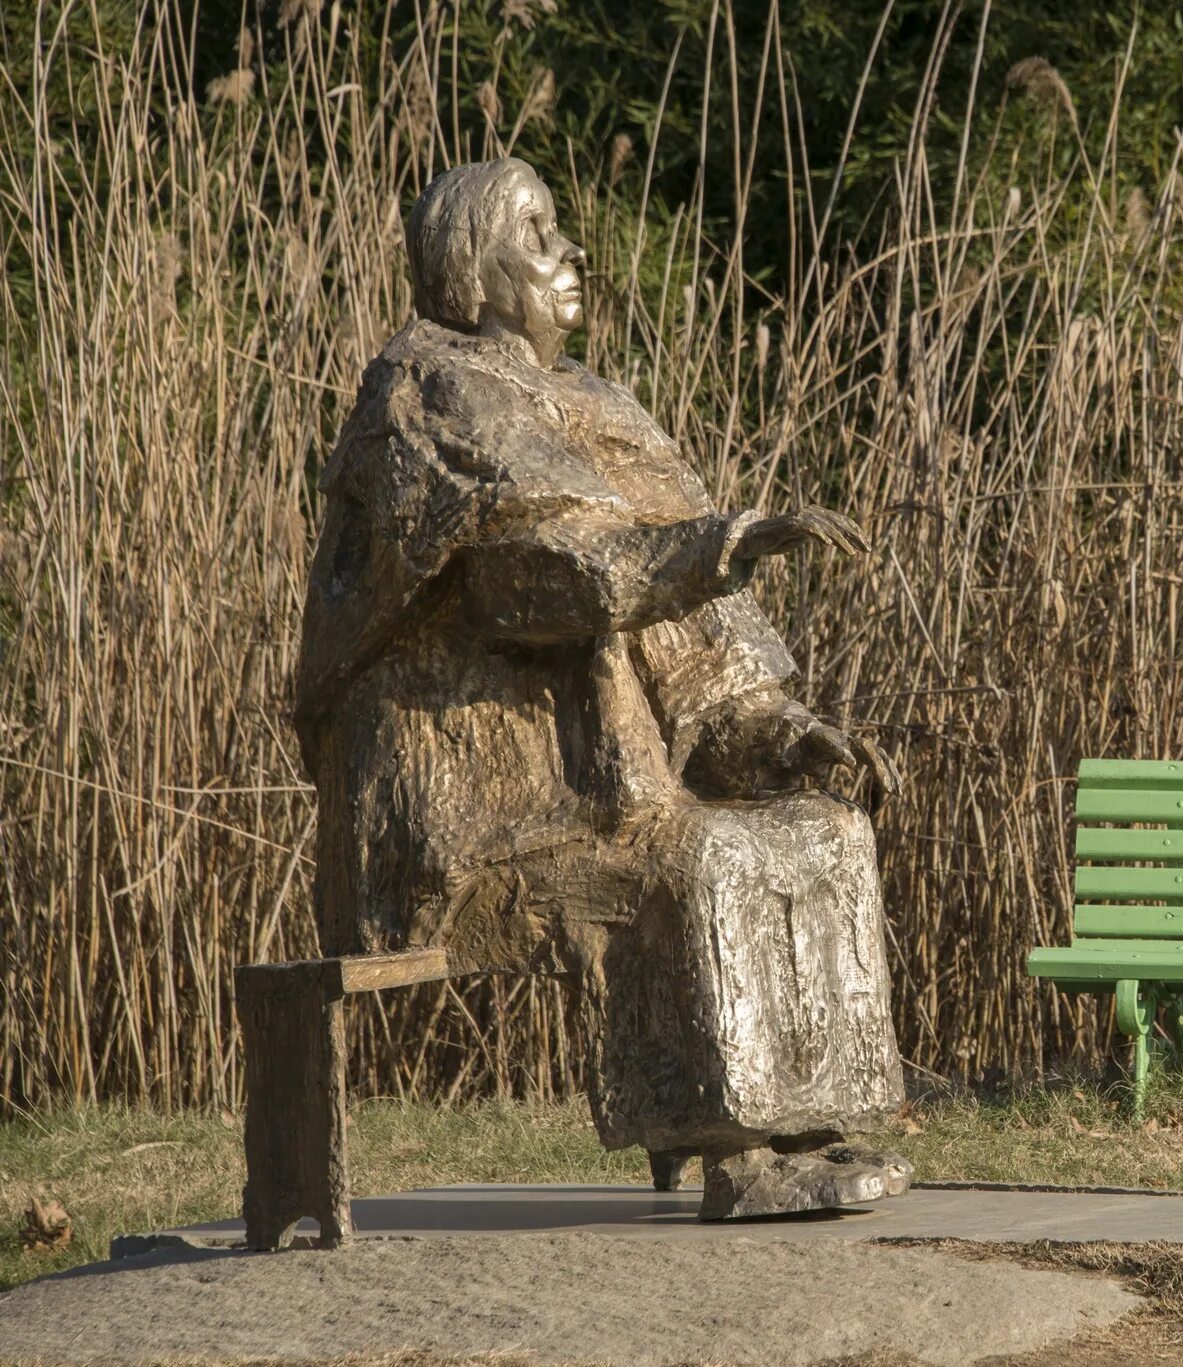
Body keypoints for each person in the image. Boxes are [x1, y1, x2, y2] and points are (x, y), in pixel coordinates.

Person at [294, 157, 908, 1218]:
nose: (570, 252)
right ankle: (734, 1150)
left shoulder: (596, 402)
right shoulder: (428, 391)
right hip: (463, 778)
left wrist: (774, 725)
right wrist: (723, 541)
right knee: (697, 856)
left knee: (820, 825)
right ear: (470, 275)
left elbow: (695, 632)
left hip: (597, 749)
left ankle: (807, 1119)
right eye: (538, 234)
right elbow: (534, 581)